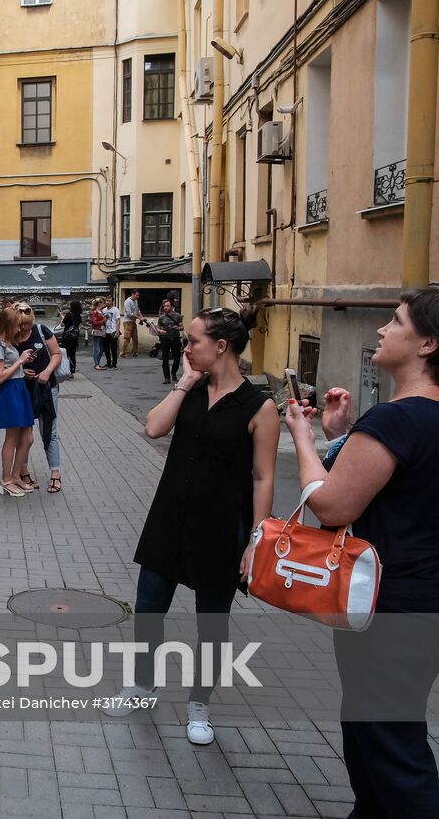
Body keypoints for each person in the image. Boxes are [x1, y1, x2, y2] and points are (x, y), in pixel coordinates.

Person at [284, 289, 439, 818]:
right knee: (369, 726)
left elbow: (330, 506)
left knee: (393, 748)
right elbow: (397, 484)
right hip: (436, 595)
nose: (382, 329)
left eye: (396, 321)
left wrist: (305, 441)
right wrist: (344, 439)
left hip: (394, 606)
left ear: (427, 343)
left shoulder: (398, 419)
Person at [104, 307, 279, 746]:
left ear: (221, 347)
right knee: (148, 610)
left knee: (212, 625)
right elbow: (153, 429)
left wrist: (256, 539)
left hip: (221, 528)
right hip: (170, 518)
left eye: (194, 341)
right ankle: (144, 687)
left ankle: (199, 705)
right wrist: (184, 382)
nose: (186, 347)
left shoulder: (259, 406)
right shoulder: (192, 391)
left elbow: (263, 477)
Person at [15, 304, 64, 494]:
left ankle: (55, 473)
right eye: (20, 325)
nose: (24, 329)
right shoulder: (11, 336)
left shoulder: (41, 331)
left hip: (47, 387)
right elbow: (7, 363)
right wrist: (21, 371)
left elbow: (57, 353)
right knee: (23, 433)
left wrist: (47, 370)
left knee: (49, 430)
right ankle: (23, 471)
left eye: (26, 325)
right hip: (23, 389)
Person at [0, 307, 37, 496]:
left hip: (19, 389)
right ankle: (6, 479)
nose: (19, 330)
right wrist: (21, 361)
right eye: (17, 326)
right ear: (8, 325)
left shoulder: (6, 344)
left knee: (27, 438)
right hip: (10, 393)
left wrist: (21, 369)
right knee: (12, 438)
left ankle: (15, 476)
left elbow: (8, 371)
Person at [154, 298, 184, 384]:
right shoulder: (161, 318)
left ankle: (174, 372)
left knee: (177, 358)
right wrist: (160, 331)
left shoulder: (177, 316)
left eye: (167, 306)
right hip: (165, 339)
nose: (166, 308)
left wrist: (178, 328)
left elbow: (182, 327)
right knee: (165, 358)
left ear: (172, 307)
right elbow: (158, 328)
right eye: (164, 306)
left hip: (175, 338)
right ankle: (166, 377)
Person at [60, 300, 83, 380]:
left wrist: (62, 317)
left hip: (67, 337)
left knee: (66, 354)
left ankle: (67, 372)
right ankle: (72, 371)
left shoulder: (68, 315)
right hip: (74, 337)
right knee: (73, 354)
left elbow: (62, 324)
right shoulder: (79, 316)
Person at [121, 290, 142, 357]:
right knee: (127, 338)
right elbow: (129, 313)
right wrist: (139, 318)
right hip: (128, 322)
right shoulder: (127, 301)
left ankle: (135, 352)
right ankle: (122, 353)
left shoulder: (135, 301)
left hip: (133, 321)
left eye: (138, 295)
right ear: (133, 294)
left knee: (135, 338)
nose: (137, 297)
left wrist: (142, 317)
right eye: (136, 295)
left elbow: (138, 310)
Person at [102, 297, 121, 369]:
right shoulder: (104, 310)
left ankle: (114, 364)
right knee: (106, 349)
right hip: (105, 331)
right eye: (107, 301)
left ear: (112, 302)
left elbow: (118, 320)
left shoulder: (115, 310)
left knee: (113, 349)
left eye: (109, 301)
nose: (107, 302)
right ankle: (108, 363)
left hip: (112, 331)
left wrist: (117, 331)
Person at [90, 300, 107, 371]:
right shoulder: (95, 312)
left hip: (101, 331)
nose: (104, 304)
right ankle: (96, 364)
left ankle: (98, 363)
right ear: (99, 304)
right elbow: (94, 322)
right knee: (97, 348)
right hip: (97, 331)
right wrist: (103, 321)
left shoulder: (101, 312)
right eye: (103, 303)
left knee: (101, 349)